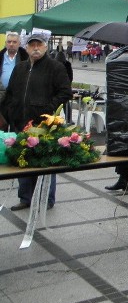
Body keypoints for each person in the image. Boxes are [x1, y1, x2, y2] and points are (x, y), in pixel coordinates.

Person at [0, 31, 73, 211]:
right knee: (22, 159)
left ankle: (46, 199)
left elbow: (65, 92)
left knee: (45, 160)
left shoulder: (55, 67)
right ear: (26, 47)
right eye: (32, 45)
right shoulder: (20, 68)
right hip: (21, 123)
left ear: (45, 47)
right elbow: (10, 94)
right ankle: (25, 198)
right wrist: (8, 113)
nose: (35, 48)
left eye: (39, 45)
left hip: (44, 123)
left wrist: (49, 108)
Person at [0, 31, 28, 104]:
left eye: (14, 42)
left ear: (19, 44)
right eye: (9, 42)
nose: (11, 44)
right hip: (1, 97)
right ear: (5, 43)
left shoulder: (25, 57)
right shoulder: (1, 56)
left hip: (19, 97)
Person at [56, 49, 74, 123]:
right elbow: (70, 77)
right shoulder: (67, 64)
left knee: (56, 105)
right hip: (65, 88)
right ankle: (69, 119)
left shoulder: (54, 64)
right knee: (66, 104)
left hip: (56, 89)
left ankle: (55, 119)